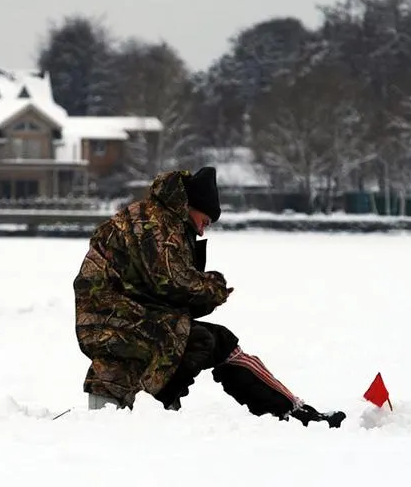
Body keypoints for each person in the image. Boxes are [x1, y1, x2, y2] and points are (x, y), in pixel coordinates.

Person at [73, 167, 345, 428]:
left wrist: (204, 294)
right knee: (201, 340)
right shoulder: (154, 223)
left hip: (126, 315)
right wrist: (214, 287)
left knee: (219, 341)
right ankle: (156, 405)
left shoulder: (157, 217)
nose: (202, 231)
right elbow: (173, 281)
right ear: (192, 207)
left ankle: (290, 409)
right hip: (110, 319)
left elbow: (166, 289)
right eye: (204, 221)